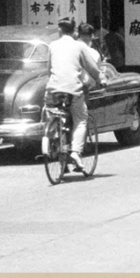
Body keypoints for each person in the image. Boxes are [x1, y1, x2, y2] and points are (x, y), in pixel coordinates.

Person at [46, 18, 107, 171]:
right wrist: (102, 79)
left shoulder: (52, 46)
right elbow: (92, 68)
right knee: (81, 119)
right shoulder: (79, 46)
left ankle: (55, 141)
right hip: (73, 89)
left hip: (53, 89)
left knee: (53, 114)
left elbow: (49, 70)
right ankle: (75, 152)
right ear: (74, 32)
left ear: (59, 30)